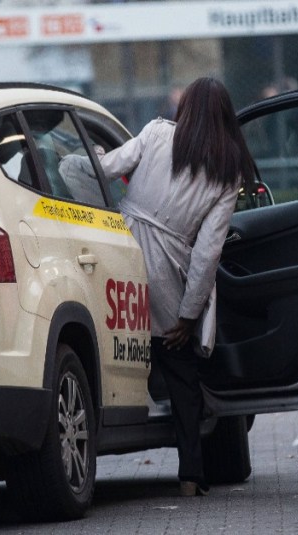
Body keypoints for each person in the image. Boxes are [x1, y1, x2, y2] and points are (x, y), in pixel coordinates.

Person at [94, 77, 257, 497]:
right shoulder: (227, 173)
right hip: (168, 273)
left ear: (185, 108)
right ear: (225, 117)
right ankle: (190, 476)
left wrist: (85, 156)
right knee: (182, 378)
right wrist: (187, 314)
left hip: (121, 252)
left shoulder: (153, 133)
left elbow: (106, 169)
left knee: (113, 350)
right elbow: (207, 253)